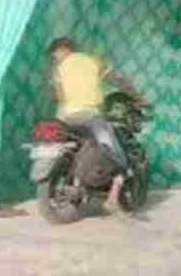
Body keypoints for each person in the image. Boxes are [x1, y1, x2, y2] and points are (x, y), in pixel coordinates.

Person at [47, 36, 135, 212]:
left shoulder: (58, 68)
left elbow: (56, 96)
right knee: (113, 151)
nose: (55, 57)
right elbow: (116, 80)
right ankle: (114, 192)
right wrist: (136, 96)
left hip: (63, 118)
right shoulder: (92, 61)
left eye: (55, 54)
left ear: (63, 49)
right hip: (90, 116)